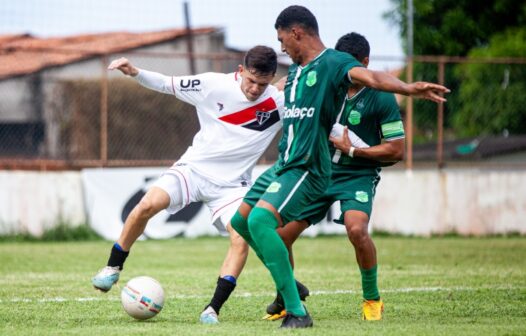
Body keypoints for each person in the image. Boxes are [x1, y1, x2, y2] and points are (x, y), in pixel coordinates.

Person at [230, 5, 449, 329]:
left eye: (282, 40)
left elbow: (372, 79)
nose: (281, 48)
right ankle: (289, 290)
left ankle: (310, 308)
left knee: (336, 227)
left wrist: (407, 88)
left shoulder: (333, 64)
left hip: (316, 168)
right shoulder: (296, 74)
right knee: (243, 224)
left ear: (296, 33)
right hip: (287, 163)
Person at [91, 46, 311, 322]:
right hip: (193, 170)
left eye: (263, 83)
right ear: (240, 71)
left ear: (271, 79)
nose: (255, 89)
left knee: (240, 237)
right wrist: (134, 72)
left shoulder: (278, 102)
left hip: (232, 187)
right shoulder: (212, 85)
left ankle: (213, 308)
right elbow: (166, 84)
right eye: (251, 80)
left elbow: (312, 120)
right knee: (147, 205)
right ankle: (112, 267)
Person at [263, 32, 405, 322]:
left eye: (353, 67)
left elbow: (396, 150)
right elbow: (283, 91)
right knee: (279, 236)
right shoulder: (325, 85)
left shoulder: (381, 98)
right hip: (318, 172)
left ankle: (372, 298)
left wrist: (353, 150)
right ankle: (287, 296)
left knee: (356, 230)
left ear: (365, 63)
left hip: (357, 175)